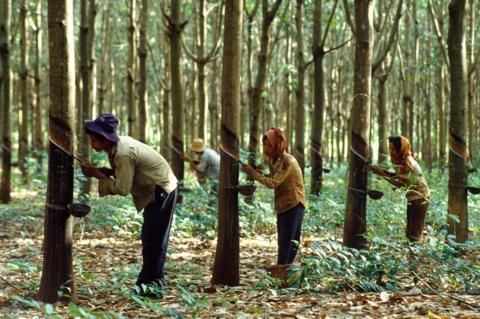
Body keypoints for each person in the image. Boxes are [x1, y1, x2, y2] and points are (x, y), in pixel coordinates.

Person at [81, 113, 178, 296]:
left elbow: (123, 188)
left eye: (94, 140)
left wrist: (99, 175)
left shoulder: (123, 153)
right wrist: (105, 171)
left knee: (153, 241)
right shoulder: (117, 148)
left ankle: (148, 288)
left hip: (162, 190)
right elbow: (128, 172)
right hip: (156, 189)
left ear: (105, 139)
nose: (91, 144)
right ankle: (153, 284)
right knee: (153, 239)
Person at [241, 128, 306, 265]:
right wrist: (260, 174)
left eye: (269, 145)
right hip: (282, 206)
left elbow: (272, 183)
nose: (266, 148)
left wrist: (253, 173)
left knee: (290, 242)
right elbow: (273, 177)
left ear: (278, 144)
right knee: (282, 242)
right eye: (264, 145)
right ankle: (281, 272)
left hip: (294, 204)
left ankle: (285, 273)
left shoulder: (287, 161)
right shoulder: (273, 159)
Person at [370, 135, 431, 241]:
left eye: (393, 149)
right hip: (413, 197)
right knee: (410, 230)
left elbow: (402, 185)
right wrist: (382, 171)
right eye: (390, 149)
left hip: (420, 198)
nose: (391, 152)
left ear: (401, 149)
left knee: (414, 231)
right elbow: (398, 176)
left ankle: (414, 254)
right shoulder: (402, 160)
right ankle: (411, 253)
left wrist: (382, 174)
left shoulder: (407, 162)